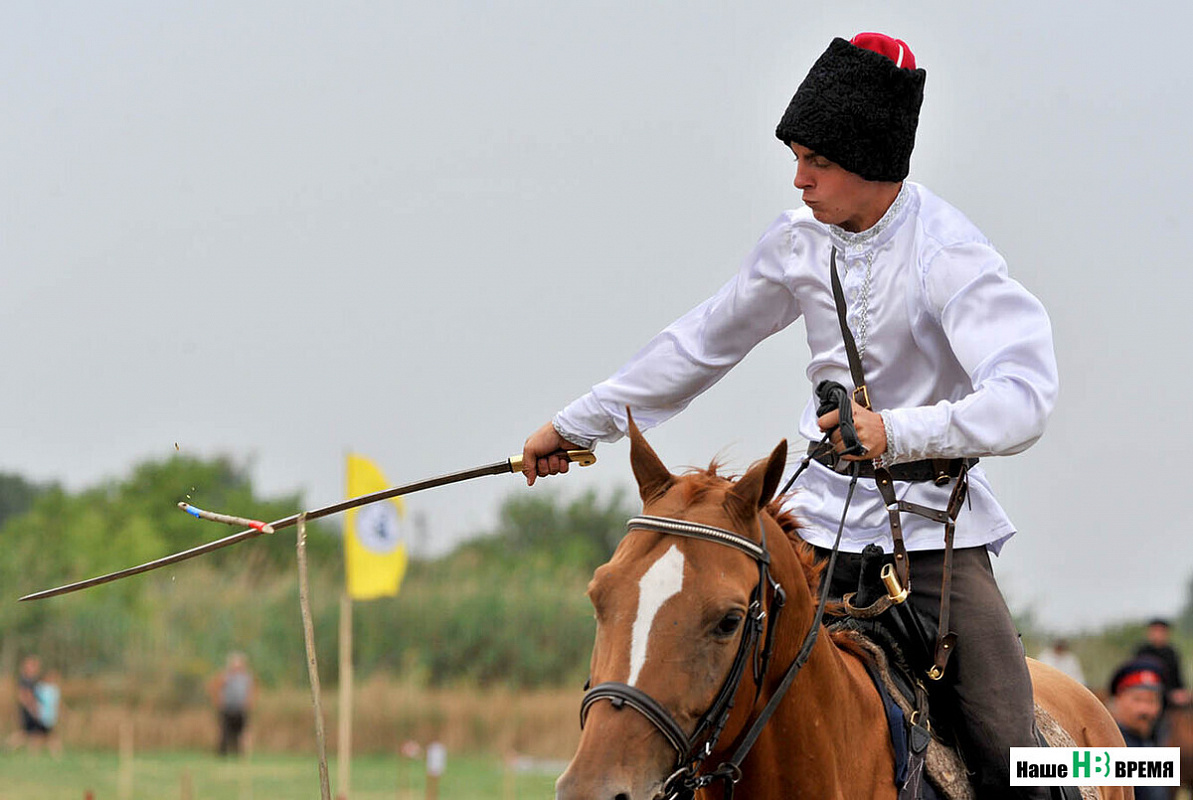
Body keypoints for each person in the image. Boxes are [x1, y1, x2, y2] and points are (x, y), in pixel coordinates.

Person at [522, 32, 1057, 800]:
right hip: (808, 530)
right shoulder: (796, 241)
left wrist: (895, 432)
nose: (799, 178)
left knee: (1020, 763)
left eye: (818, 161)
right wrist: (577, 425)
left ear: (872, 162)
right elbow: (700, 343)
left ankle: (1123, 771)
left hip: (928, 547)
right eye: (797, 158)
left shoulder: (949, 255)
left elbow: (1025, 396)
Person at [1107, 660, 1167, 800]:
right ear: (1118, 699)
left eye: (1152, 701)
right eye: (1138, 700)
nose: (1145, 710)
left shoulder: (1150, 744)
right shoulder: (1106, 745)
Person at [1134, 618, 1189, 708]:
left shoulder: (1172, 653)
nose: (1158, 635)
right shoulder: (1142, 652)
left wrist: (1181, 692)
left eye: (1162, 631)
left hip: (1171, 694)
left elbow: (1178, 678)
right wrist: (1168, 694)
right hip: (1149, 692)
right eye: (1156, 631)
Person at [208, 652, 255, 756]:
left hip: (241, 708)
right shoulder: (225, 676)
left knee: (242, 732)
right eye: (235, 665)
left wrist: (249, 702)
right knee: (224, 731)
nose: (237, 668)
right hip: (227, 708)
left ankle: (242, 753)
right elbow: (214, 687)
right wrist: (218, 701)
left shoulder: (247, 678)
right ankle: (222, 752)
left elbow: (250, 691)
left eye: (239, 665)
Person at [35, 668, 63, 757]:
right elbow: (35, 701)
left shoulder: (55, 689)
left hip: (51, 717)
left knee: (44, 735)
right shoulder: (40, 688)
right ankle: (56, 754)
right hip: (42, 716)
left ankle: (53, 753)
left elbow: (57, 703)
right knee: (45, 735)